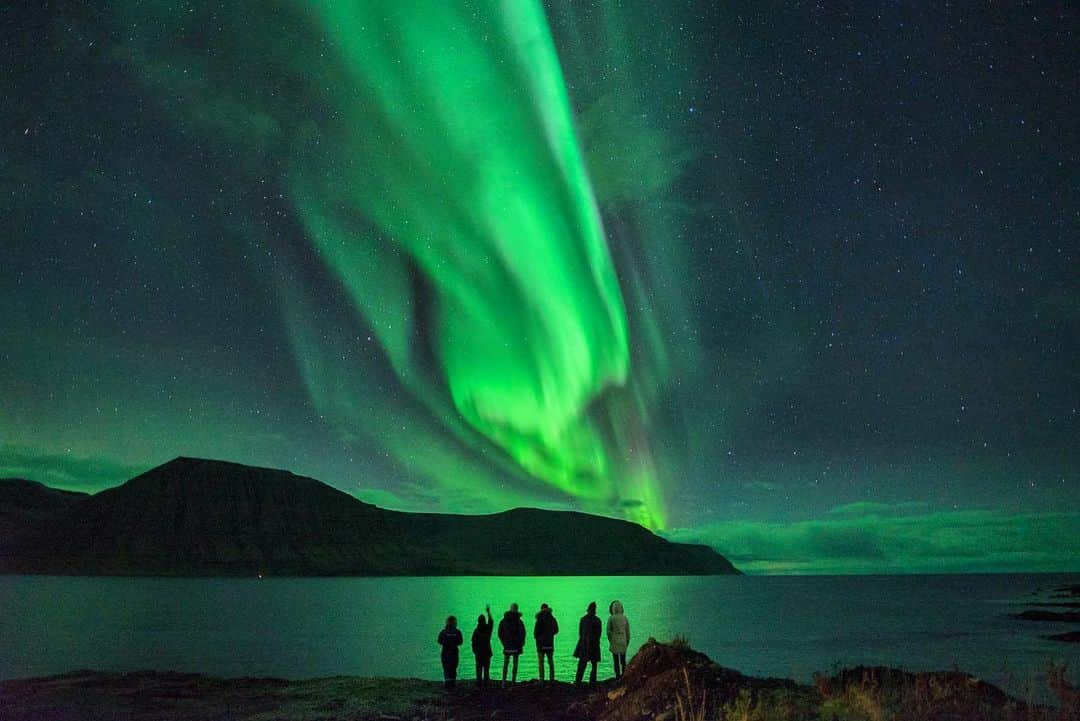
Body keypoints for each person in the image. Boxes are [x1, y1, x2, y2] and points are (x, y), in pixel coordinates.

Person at [573, 601, 602, 686]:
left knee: (581, 665)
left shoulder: (583, 619)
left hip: (584, 644)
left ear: (588, 610)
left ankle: (578, 681)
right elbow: (599, 634)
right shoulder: (598, 620)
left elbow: (580, 633)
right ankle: (592, 682)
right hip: (594, 645)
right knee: (594, 665)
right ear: (595, 610)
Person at [497, 602, 526, 684]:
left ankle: (504, 681)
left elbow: (500, 633)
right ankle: (513, 681)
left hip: (507, 645)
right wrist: (521, 643)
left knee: (506, 663)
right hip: (516, 646)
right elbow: (523, 633)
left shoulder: (503, 621)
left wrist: (504, 642)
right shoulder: (519, 621)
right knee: (515, 663)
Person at [533, 603, 559, 681]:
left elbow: (535, 632)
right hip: (549, 643)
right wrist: (550, 634)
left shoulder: (539, 619)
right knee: (550, 662)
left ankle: (541, 679)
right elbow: (556, 630)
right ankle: (552, 679)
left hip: (540, 644)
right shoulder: (552, 619)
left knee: (541, 663)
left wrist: (538, 638)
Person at [437, 615, 464, 689]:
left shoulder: (443, 632)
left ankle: (447, 682)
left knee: (446, 668)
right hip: (454, 652)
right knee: (453, 667)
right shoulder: (457, 632)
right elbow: (460, 641)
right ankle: (452, 682)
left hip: (445, 652)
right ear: (455, 623)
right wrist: (454, 643)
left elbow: (439, 641)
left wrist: (446, 643)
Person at [606, 600, 630, 679]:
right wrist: (627, 641)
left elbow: (608, 632)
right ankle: (624, 674)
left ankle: (617, 676)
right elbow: (628, 632)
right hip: (623, 641)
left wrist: (611, 640)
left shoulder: (611, 618)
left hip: (615, 642)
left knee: (616, 661)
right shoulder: (625, 618)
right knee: (623, 660)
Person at [472, 605, 494, 687]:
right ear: (484, 621)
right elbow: (491, 621)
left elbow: (473, 642)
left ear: (478, 621)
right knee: (486, 669)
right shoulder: (488, 629)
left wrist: (474, 651)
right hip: (487, 652)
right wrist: (488, 612)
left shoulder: (476, 631)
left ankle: (478, 683)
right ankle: (486, 683)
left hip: (478, 653)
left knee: (478, 669)